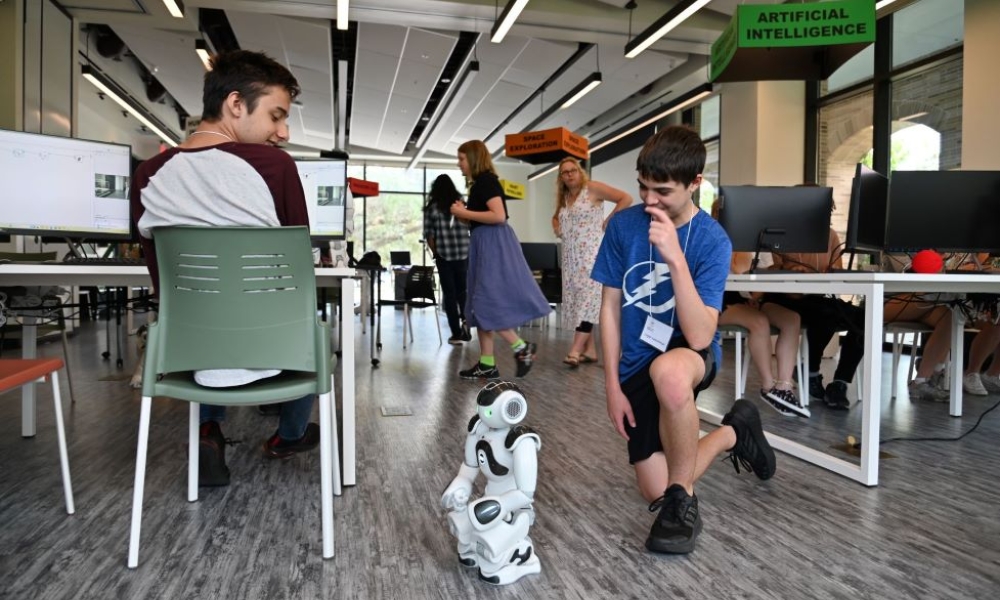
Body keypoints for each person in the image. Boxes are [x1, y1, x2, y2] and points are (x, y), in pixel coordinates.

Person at [129, 50, 319, 487]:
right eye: (276, 116)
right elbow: (297, 275)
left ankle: (207, 429)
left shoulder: (148, 175)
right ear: (236, 104)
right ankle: (288, 436)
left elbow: (164, 281)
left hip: (189, 352)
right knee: (309, 321)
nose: (283, 133)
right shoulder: (274, 167)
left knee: (206, 318)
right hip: (276, 350)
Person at [591, 125, 776, 555]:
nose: (649, 200)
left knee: (671, 374)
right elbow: (609, 310)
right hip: (636, 364)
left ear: (695, 183)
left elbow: (700, 334)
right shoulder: (622, 227)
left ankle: (682, 506)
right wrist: (612, 387)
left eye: (662, 190)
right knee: (654, 488)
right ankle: (735, 430)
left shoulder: (712, 240)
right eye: (642, 186)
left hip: (688, 357)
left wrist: (675, 257)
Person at [449, 140, 551, 380]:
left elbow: (499, 215)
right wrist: (466, 215)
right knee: (478, 303)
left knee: (484, 304)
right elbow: (485, 217)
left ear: (473, 159)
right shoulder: (480, 184)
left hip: (492, 245)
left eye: (462, 159)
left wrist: (464, 213)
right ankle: (487, 364)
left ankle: (521, 348)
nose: (459, 164)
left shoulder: (486, 181)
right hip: (484, 243)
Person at [762, 225, 863, 410]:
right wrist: (792, 269)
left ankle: (840, 383)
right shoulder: (779, 232)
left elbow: (836, 273)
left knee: (863, 318)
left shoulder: (831, 235)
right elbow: (776, 271)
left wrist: (828, 273)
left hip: (817, 298)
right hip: (784, 299)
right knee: (825, 314)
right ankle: (810, 372)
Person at [551, 157, 632, 367]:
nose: (569, 175)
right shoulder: (565, 197)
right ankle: (590, 350)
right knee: (581, 302)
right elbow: (555, 217)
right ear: (561, 177)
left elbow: (626, 198)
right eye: (564, 172)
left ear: (580, 171)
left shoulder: (592, 189)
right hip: (571, 258)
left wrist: (611, 218)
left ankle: (576, 350)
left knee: (589, 301)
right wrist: (558, 228)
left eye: (572, 170)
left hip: (591, 255)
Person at [720, 250, 806, 417]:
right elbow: (736, 270)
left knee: (792, 319)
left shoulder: (765, 245)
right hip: (722, 299)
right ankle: (768, 387)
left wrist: (756, 293)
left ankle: (783, 386)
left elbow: (764, 278)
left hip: (751, 298)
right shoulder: (723, 237)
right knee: (759, 321)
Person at [423, 174, 471, 345]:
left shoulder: (432, 208)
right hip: (464, 253)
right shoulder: (460, 203)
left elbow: (430, 236)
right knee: (463, 291)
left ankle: (456, 334)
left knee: (449, 295)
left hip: (445, 255)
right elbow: (469, 223)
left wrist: (436, 253)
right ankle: (466, 321)